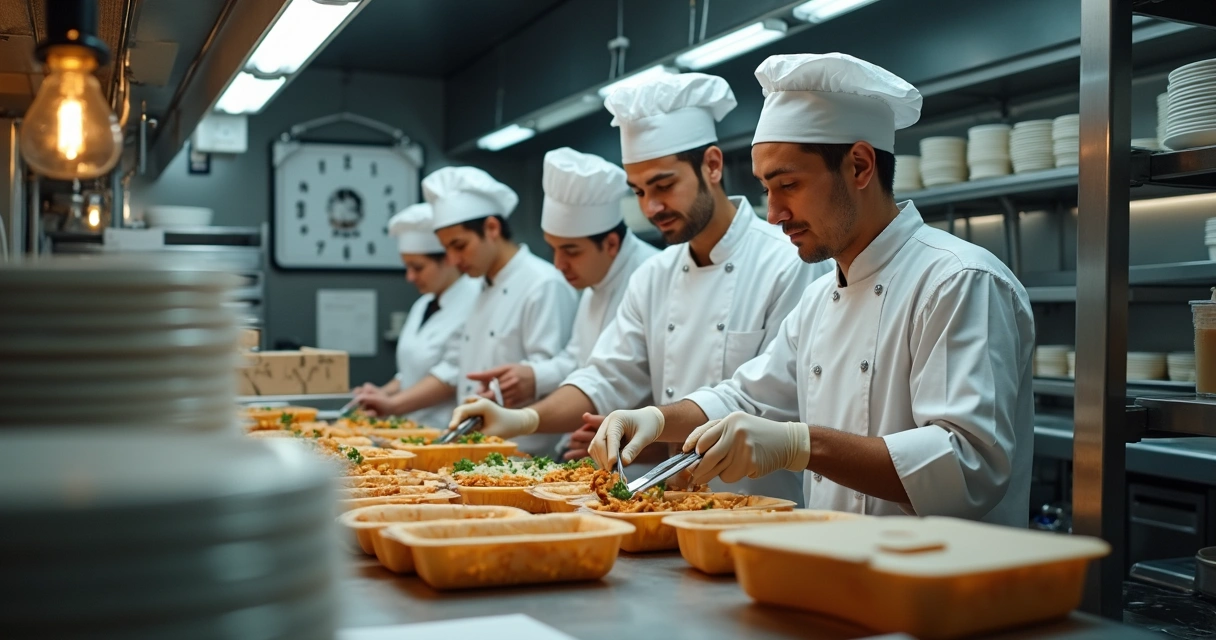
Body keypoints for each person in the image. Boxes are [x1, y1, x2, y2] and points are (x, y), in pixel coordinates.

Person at [589, 53, 1035, 526]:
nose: (774, 213)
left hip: (945, 589)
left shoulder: (958, 281)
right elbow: (748, 398)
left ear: (860, 166)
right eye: (766, 189)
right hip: (837, 573)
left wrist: (802, 445)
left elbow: (967, 467)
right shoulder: (820, 299)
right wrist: (656, 419)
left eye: (789, 185)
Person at [447, 73, 828, 504]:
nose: (651, 208)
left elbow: (768, 402)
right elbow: (605, 375)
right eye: (640, 191)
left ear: (713, 165)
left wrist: (656, 429)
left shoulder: (785, 262)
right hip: (669, 502)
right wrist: (523, 418)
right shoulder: (655, 276)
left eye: (664, 185)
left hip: (761, 506)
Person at [356, 166, 579, 455]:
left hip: (524, 453)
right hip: (479, 446)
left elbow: (562, 372)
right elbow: (458, 366)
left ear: (492, 228)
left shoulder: (543, 283)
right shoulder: (482, 287)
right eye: (447, 249)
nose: (453, 260)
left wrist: (528, 378)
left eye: (459, 246)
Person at [464, 147, 659, 413]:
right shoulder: (593, 283)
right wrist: (534, 376)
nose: (558, 264)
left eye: (571, 251)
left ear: (611, 243)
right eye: (553, 249)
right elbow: (579, 359)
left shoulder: (653, 275)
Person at [352, 203, 479, 429]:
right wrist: (382, 392)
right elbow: (411, 372)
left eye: (417, 267)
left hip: (444, 428)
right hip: (412, 427)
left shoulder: (474, 301)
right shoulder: (423, 304)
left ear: (448, 259)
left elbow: (450, 377)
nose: (410, 277)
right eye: (406, 267)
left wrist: (392, 404)